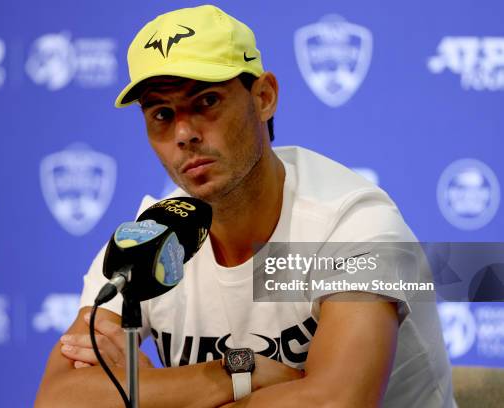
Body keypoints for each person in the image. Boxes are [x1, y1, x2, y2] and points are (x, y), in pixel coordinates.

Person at [36, 5, 456, 407]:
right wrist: (240, 369)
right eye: (162, 114)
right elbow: (58, 398)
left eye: (206, 102)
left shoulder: (351, 223)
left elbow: (335, 402)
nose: (184, 133)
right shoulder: (153, 235)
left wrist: (146, 394)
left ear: (264, 97)